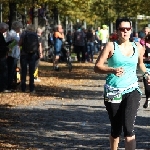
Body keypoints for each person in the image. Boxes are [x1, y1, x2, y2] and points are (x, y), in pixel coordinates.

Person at [94, 18, 150, 150]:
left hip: (132, 89)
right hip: (113, 90)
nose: (125, 32)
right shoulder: (110, 46)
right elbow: (97, 67)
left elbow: (140, 65)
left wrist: (146, 74)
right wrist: (111, 70)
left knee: (129, 129)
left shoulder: (138, 47)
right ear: (117, 31)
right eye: (122, 29)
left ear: (131, 30)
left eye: (127, 29)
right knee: (116, 129)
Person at [19, 24, 39, 93]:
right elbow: (37, 45)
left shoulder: (23, 34)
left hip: (24, 54)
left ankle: (23, 87)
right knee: (31, 71)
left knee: (24, 71)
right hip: (33, 54)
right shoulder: (35, 34)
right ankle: (31, 88)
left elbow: (20, 43)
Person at [5, 21, 23, 91]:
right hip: (12, 54)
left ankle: (11, 84)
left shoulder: (14, 33)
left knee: (13, 70)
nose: (20, 29)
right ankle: (8, 85)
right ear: (17, 28)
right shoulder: (12, 33)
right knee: (11, 70)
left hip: (14, 54)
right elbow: (18, 41)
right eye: (20, 28)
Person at [0, 22, 10, 92]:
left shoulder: (1, 35)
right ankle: (2, 87)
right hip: (1, 56)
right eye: (5, 29)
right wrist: (7, 48)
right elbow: (1, 47)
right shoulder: (0, 36)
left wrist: (8, 44)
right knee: (3, 72)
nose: (6, 31)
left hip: (2, 55)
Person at [143, 34, 150, 108]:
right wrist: (147, 59)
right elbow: (140, 59)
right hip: (146, 68)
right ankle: (147, 98)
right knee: (147, 86)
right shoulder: (145, 47)